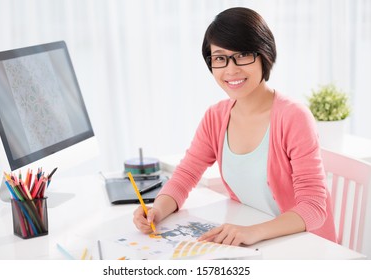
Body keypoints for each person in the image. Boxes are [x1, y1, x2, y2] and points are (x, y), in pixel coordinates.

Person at [133, 7, 337, 246]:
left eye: (242, 55)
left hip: (304, 246)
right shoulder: (216, 117)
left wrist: (252, 232)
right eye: (220, 58)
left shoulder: (293, 117)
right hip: (255, 243)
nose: (231, 70)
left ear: (265, 54)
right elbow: (185, 176)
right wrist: (157, 210)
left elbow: (313, 208)